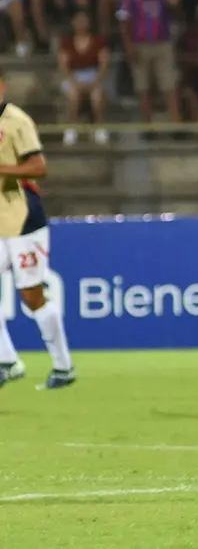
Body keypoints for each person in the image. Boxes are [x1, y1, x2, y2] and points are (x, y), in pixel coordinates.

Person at [0, 68, 76, 390]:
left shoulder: (17, 121)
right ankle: (8, 362)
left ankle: (63, 366)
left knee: (32, 296)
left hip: (23, 219)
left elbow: (38, 167)